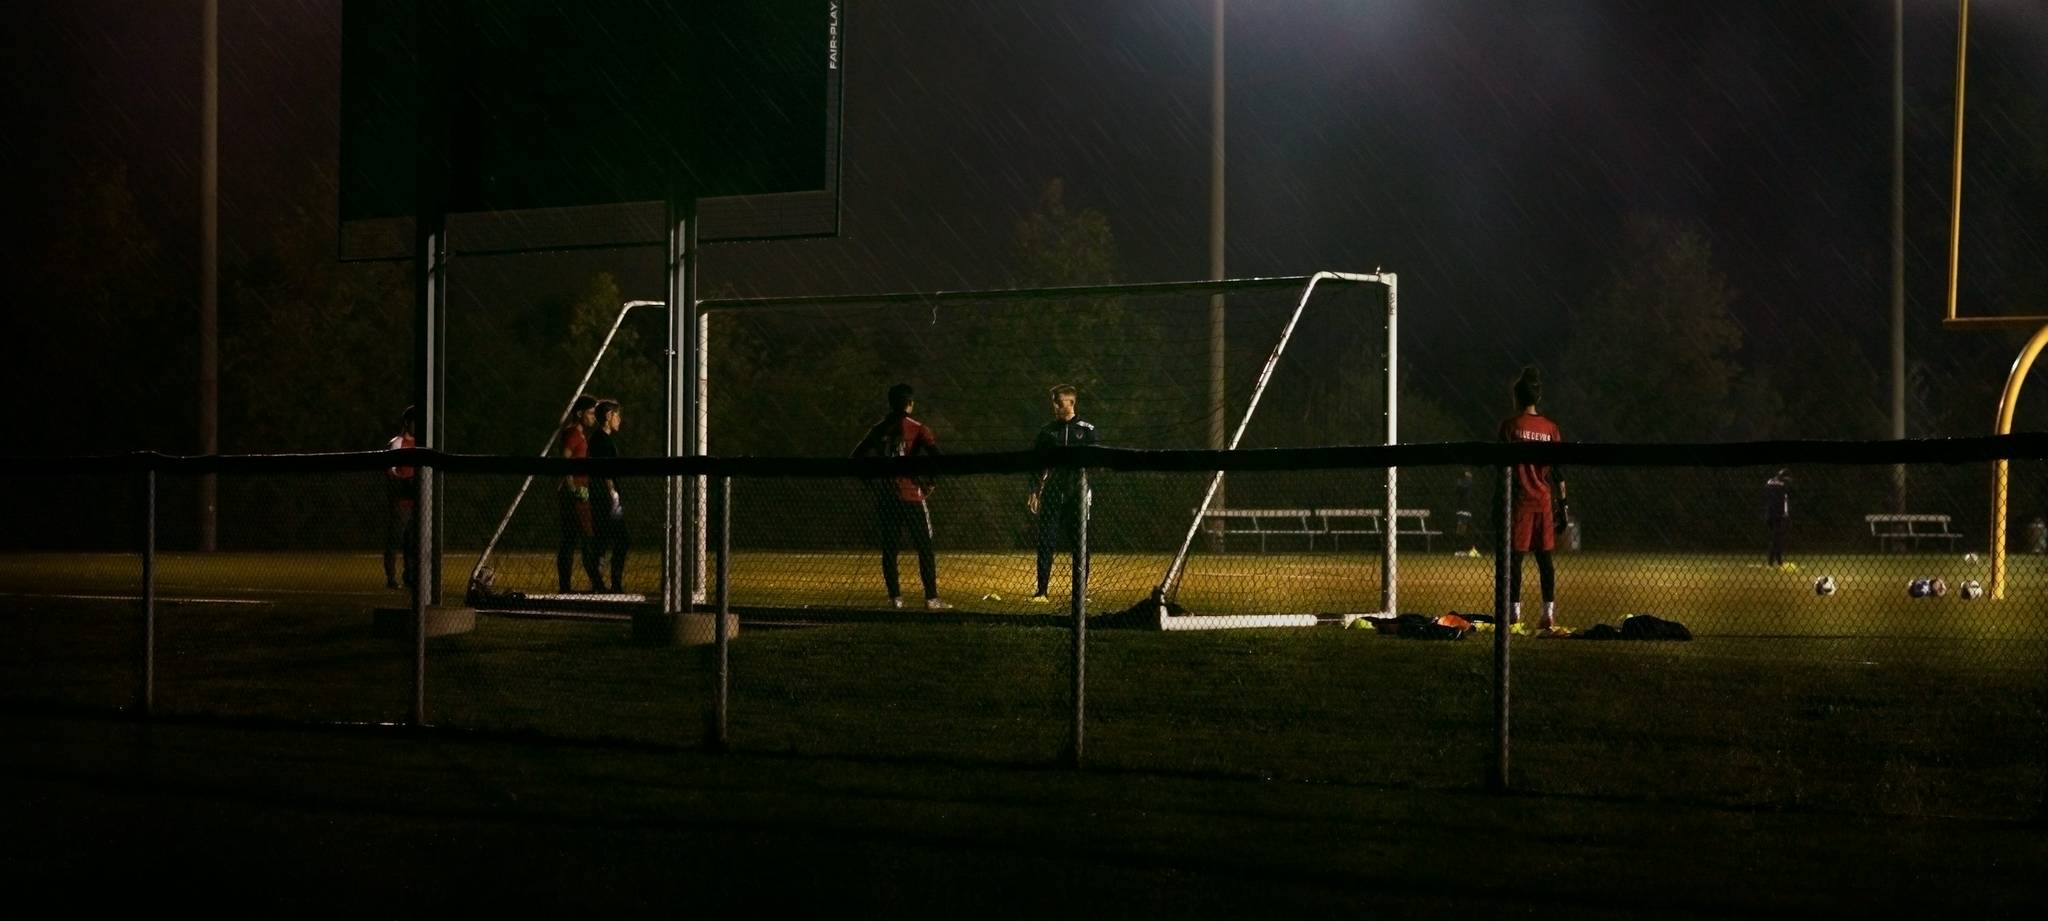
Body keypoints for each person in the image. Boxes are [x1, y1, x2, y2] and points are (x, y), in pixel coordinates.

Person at [852, 383, 950, 610]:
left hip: (887, 498)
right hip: (912, 496)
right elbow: (939, 459)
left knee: (890, 548)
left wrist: (870, 481)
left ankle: (895, 598)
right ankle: (931, 598)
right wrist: (930, 483)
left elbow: (856, 456)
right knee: (924, 547)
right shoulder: (918, 428)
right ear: (910, 404)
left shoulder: (878, 429)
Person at [1498, 367, 1567, 633]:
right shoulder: (1551, 429)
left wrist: (1497, 504)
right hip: (1543, 501)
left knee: (1515, 559)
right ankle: (1547, 614)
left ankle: (1513, 614)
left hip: (1519, 502)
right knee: (1545, 559)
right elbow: (1558, 472)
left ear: (1517, 397)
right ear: (1538, 397)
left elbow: (1501, 470)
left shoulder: (1510, 427)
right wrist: (1563, 506)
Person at [1028, 384, 1098, 603]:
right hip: (1052, 492)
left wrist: (1087, 489)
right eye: (1054, 403)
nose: (1055, 407)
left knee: (1080, 543)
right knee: (1045, 541)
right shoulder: (1047, 431)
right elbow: (1036, 463)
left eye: (1058, 402)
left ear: (1071, 402)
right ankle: (1041, 592)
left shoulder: (1087, 430)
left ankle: (1080, 593)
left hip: (1078, 493)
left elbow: (1096, 462)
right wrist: (1034, 490)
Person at [557, 395, 603, 594]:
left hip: (580, 492)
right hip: (576, 494)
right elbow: (565, 461)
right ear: (579, 413)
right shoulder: (573, 434)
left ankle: (586, 584)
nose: (593, 417)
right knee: (581, 538)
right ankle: (591, 585)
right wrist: (573, 489)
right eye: (590, 413)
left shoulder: (580, 434)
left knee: (578, 538)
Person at [587, 400, 628, 593]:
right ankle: (611, 583)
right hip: (606, 498)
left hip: (604, 496)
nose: (619, 419)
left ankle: (601, 583)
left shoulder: (600, 439)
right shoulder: (601, 440)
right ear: (608, 416)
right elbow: (605, 471)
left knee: (604, 540)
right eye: (617, 415)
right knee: (620, 539)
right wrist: (612, 493)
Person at [382, 406, 418, 590]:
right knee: (395, 538)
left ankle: (409, 576)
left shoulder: (420, 444)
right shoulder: (397, 443)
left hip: (417, 500)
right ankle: (391, 577)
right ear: (407, 422)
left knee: (412, 541)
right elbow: (390, 470)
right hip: (401, 499)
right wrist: (405, 481)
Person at [1763, 469, 1791, 569]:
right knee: (1776, 539)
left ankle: (1779, 562)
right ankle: (1771, 562)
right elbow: (1785, 499)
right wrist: (1786, 513)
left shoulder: (1769, 482)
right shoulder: (1783, 485)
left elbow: (1766, 493)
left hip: (1769, 514)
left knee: (1776, 538)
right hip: (1778, 515)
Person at [1454, 467, 1477, 556]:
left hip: (1467, 508)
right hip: (1462, 508)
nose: (1470, 475)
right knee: (1461, 529)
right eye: (1468, 473)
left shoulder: (1468, 483)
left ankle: (1470, 549)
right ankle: (1459, 550)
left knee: (1465, 528)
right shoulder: (1461, 482)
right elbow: (1460, 489)